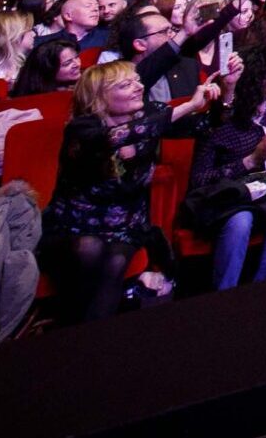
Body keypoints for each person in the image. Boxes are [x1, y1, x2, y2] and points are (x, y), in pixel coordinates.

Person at [43, 60, 214, 321]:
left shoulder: (149, 114)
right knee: (89, 248)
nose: (139, 87)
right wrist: (188, 105)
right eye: (126, 85)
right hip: (75, 226)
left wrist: (228, 90)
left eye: (137, 81)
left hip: (126, 226)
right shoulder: (82, 129)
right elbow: (119, 136)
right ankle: (74, 328)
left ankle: (92, 335)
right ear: (100, 98)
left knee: (116, 259)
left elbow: (204, 125)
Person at [186, 44, 266, 290]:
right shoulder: (225, 119)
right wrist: (250, 160)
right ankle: (225, 294)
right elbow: (200, 179)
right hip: (233, 193)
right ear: (258, 79)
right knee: (240, 220)